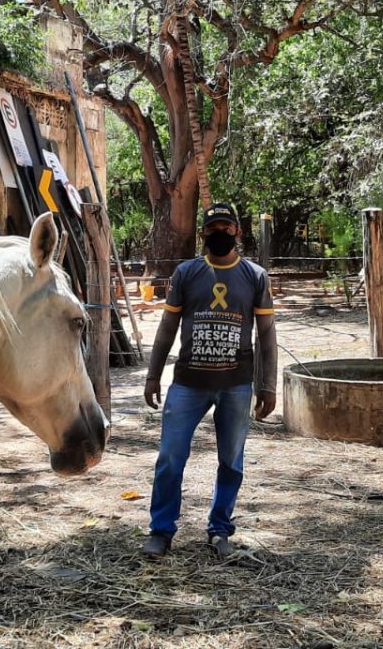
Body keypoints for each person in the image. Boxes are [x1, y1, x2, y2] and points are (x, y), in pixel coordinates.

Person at [141, 203, 278, 558]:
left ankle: (220, 530)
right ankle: (161, 530)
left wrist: (268, 385)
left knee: (231, 461)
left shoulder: (255, 276)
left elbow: (266, 334)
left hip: (236, 384)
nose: (221, 233)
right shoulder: (186, 273)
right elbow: (167, 327)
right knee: (170, 457)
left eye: (226, 227)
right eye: (214, 228)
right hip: (187, 384)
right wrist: (153, 375)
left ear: (238, 232)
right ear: (203, 234)